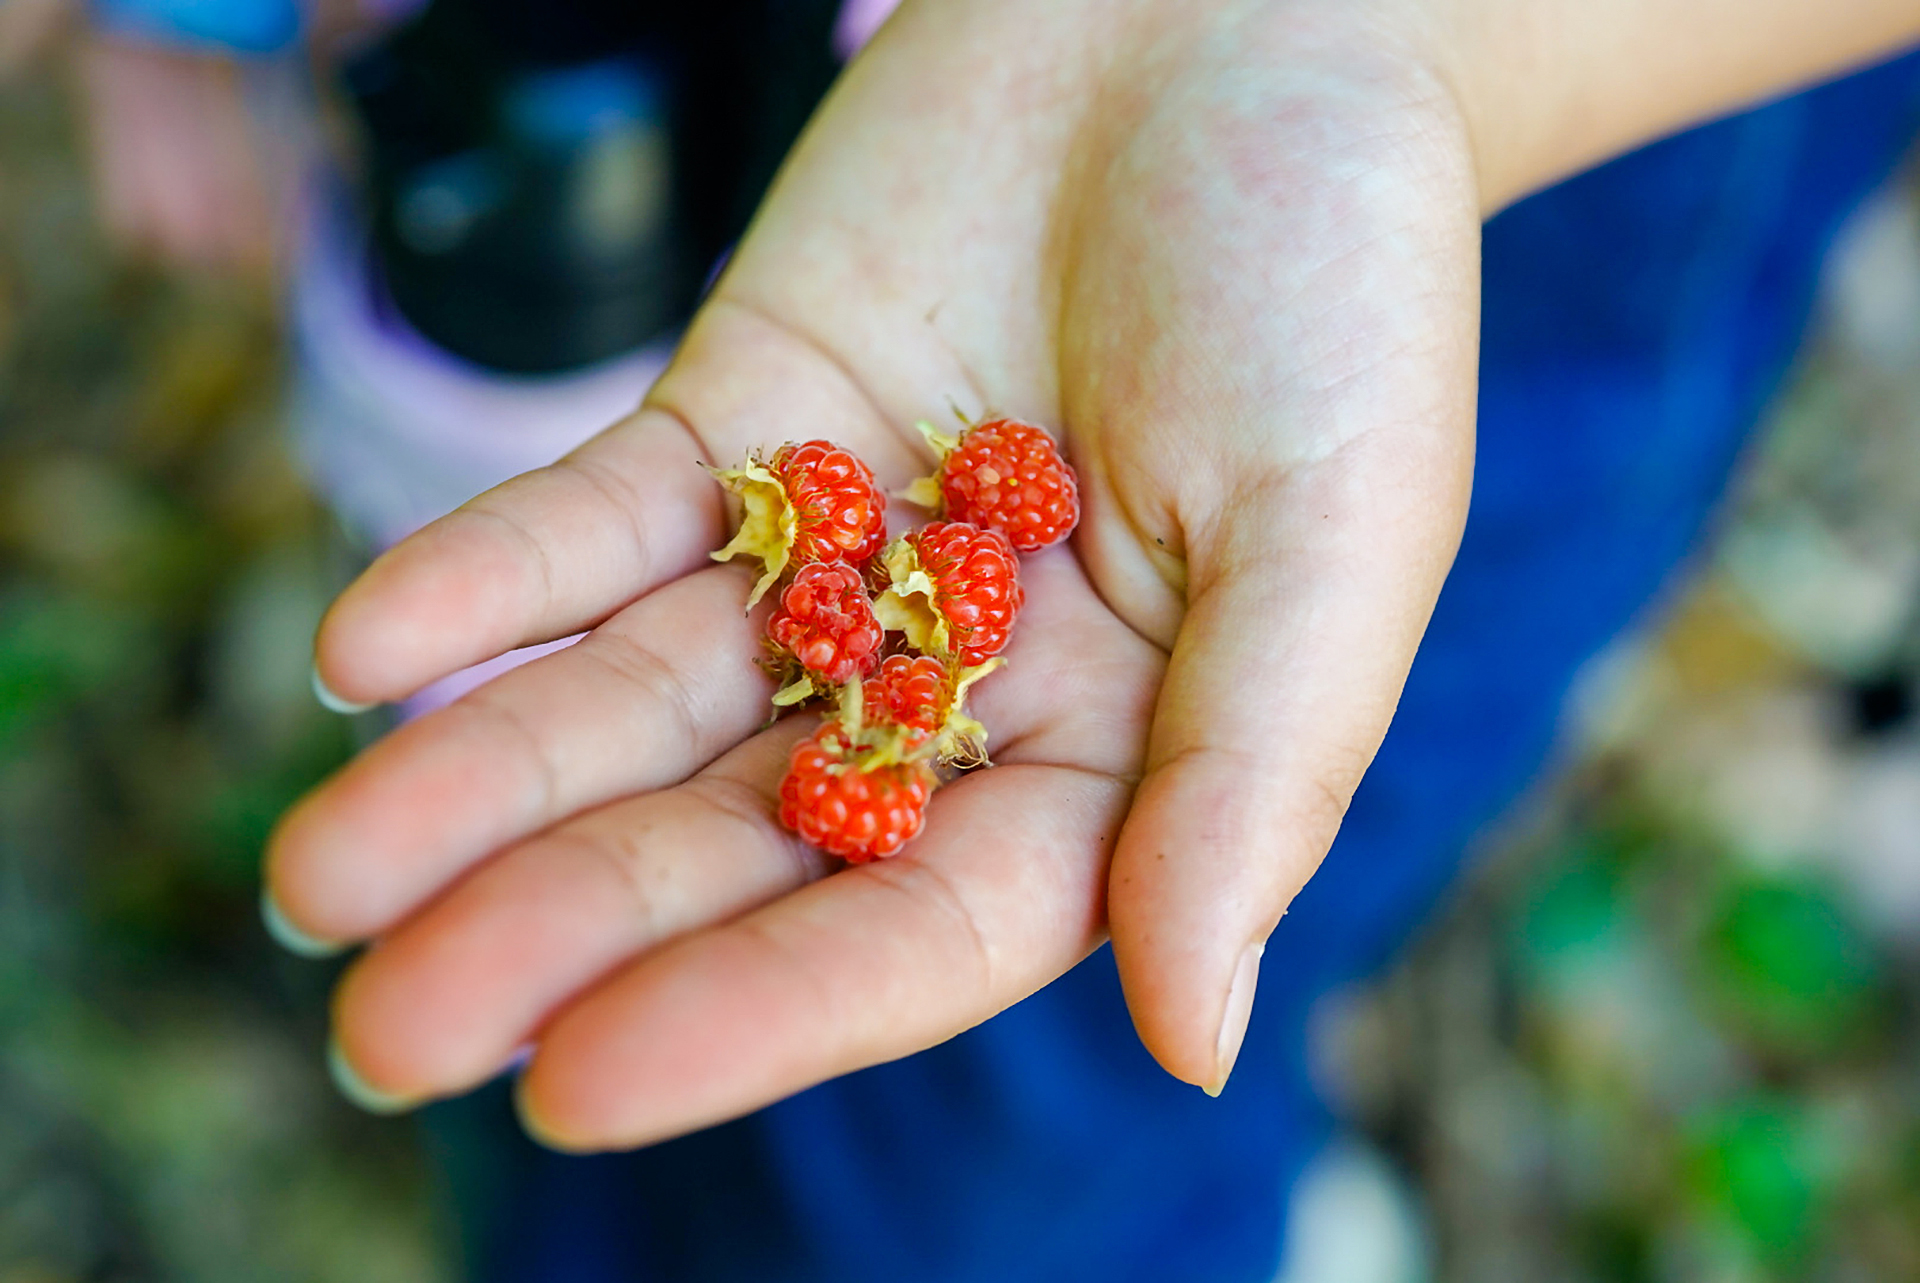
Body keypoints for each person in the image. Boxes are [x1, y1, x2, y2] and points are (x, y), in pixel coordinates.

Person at [92, 0, 1920, 1277]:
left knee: (1051, 1078)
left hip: (1586, 120)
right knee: (596, 997)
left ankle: (1150, 1221)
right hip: (643, 86)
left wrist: (1382, 36)